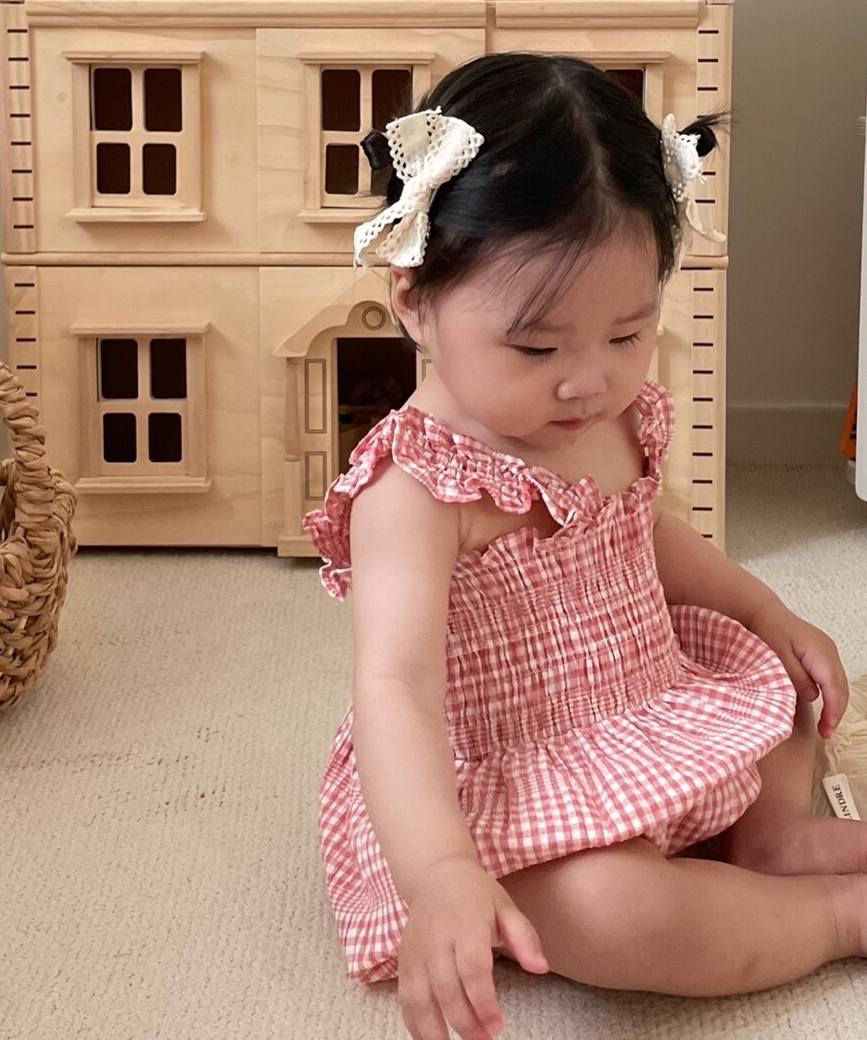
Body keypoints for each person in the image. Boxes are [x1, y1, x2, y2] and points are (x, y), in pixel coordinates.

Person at [303, 53, 859, 1040]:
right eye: (537, 347)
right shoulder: (414, 491)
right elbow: (396, 689)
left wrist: (765, 612)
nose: (587, 381)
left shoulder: (601, 419)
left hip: (648, 696)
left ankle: (775, 836)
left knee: (777, 674)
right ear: (414, 299)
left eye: (626, 334)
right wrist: (441, 873)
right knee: (610, 912)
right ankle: (834, 919)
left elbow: (648, 536)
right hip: (514, 778)